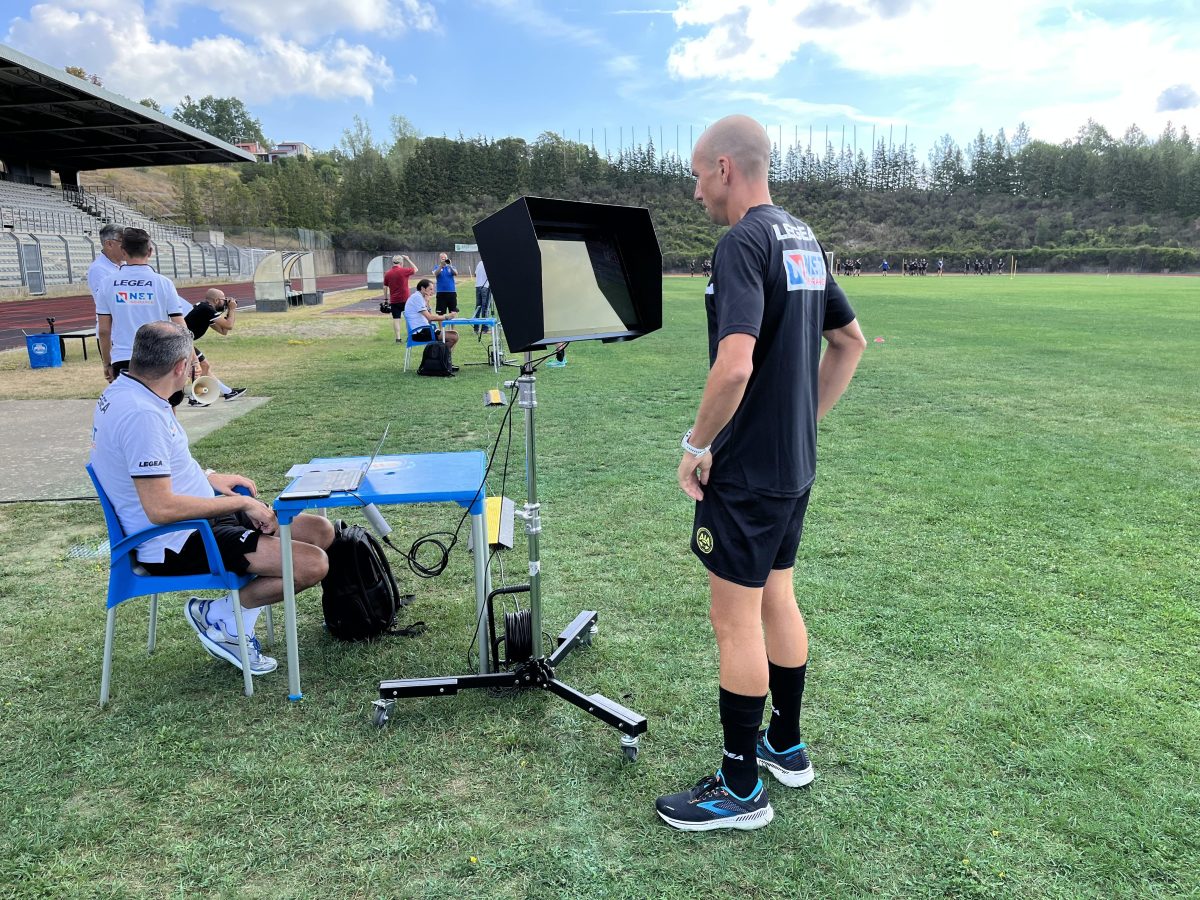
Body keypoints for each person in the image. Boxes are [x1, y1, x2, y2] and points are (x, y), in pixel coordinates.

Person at [656, 115, 866, 833]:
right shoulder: (802, 238)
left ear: (724, 167)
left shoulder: (742, 242)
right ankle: (785, 744)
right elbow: (850, 342)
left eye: (696, 175)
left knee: (735, 619)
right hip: (794, 467)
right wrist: (802, 423)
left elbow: (735, 364)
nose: (695, 193)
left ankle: (742, 788)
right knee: (778, 596)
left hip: (747, 475)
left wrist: (696, 444)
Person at [89, 321, 334, 675]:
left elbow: (156, 467)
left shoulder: (130, 390)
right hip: (177, 539)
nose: (196, 370)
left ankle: (230, 619)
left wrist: (210, 478)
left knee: (319, 530)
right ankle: (219, 617)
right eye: (193, 363)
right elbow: (161, 509)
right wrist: (242, 503)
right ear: (179, 367)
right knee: (312, 564)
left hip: (200, 521)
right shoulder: (141, 415)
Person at [96, 227, 185, 382]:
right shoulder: (163, 283)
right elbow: (180, 326)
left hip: (123, 357)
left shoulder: (107, 283)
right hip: (159, 355)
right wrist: (191, 359)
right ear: (150, 252)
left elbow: (104, 331)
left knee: (127, 397)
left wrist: (107, 362)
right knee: (161, 398)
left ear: (123, 251)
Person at [183, 288, 246, 403]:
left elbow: (223, 331)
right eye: (224, 300)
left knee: (205, 366)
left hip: (185, 342)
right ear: (216, 300)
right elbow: (229, 325)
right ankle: (194, 398)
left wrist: (229, 311)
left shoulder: (206, 309)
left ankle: (228, 392)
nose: (225, 303)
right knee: (202, 366)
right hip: (180, 342)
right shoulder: (206, 309)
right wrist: (232, 309)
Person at [404, 279, 459, 364]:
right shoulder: (417, 298)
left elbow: (428, 317)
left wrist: (427, 301)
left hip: (424, 329)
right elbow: (430, 318)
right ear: (423, 288)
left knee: (455, 334)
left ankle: (443, 362)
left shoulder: (420, 297)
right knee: (453, 337)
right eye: (430, 289)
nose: (432, 292)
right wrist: (446, 317)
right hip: (420, 332)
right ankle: (440, 362)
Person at [87, 223, 126, 312]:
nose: (128, 247)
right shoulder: (98, 269)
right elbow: (105, 301)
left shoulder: (126, 263)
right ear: (109, 244)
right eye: (124, 242)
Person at [384, 254, 417, 342]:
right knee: (408, 318)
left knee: (396, 319)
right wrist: (408, 259)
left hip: (394, 300)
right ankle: (410, 336)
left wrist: (386, 299)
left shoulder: (388, 273)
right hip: (405, 299)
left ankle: (398, 338)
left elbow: (385, 287)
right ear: (401, 262)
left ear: (393, 262)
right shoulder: (404, 271)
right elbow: (416, 269)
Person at [473, 258, 491, 335]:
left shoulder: (479, 263)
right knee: (485, 308)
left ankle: (476, 328)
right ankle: (485, 329)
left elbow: (475, 274)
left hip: (478, 286)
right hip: (486, 287)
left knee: (478, 307)